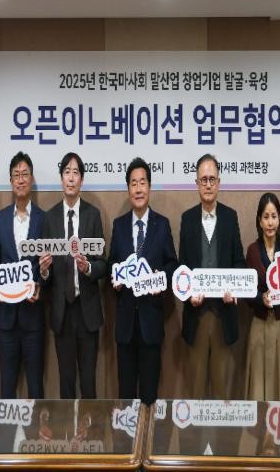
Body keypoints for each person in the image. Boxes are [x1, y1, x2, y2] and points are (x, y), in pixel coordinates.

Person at [109, 157, 178, 405]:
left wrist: (160, 279)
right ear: (128, 189)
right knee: (126, 397)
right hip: (125, 326)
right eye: (133, 183)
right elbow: (112, 264)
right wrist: (115, 279)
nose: (138, 189)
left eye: (142, 183)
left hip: (151, 322)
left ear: (149, 186)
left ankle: (147, 433)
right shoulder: (118, 226)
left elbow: (173, 265)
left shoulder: (162, 225)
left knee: (149, 398)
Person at [39, 152, 107, 399]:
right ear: (61, 179)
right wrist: (44, 270)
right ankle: (68, 426)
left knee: (88, 384)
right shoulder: (49, 218)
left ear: (82, 180)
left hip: (87, 310)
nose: (70, 177)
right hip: (62, 312)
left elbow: (103, 264)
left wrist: (88, 267)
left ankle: (91, 427)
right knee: (66, 384)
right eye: (66, 172)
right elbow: (45, 276)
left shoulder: (93, 215)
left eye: (75, 172)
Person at [180, 153, 244, 399]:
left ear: (219, 182)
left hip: (223, 314)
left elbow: (238, 262)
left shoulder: (230, 217)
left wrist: (234, 290)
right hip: (196, 315)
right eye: (203, 180)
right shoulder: (187, 219)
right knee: (196, 392)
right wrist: (188, 294)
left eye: (212, 179)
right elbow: (182, 268)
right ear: (196, 183)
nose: (208, 184)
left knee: (221, 395)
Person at [0, 151, 45, 399]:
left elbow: (48, 264)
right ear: (11, 181)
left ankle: (37, 427)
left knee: (36, 387)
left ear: (31, 179)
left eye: (25, 174)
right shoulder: (1, 218)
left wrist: (41, 283)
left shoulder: (43, 219)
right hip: (7, 319)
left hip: (33, 318)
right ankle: (6, 427)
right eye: (16, 175)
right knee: (7, 387)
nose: (21, 179)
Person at [245, 192, 280, 401]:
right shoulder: (252, 251)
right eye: (266, 217)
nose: (270, 222)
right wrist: (261, 298)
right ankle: (260, 424)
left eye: (274, 216)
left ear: (279, 219)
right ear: (259, 220)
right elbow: (247, 291)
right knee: (258, 388)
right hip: (259, 325)